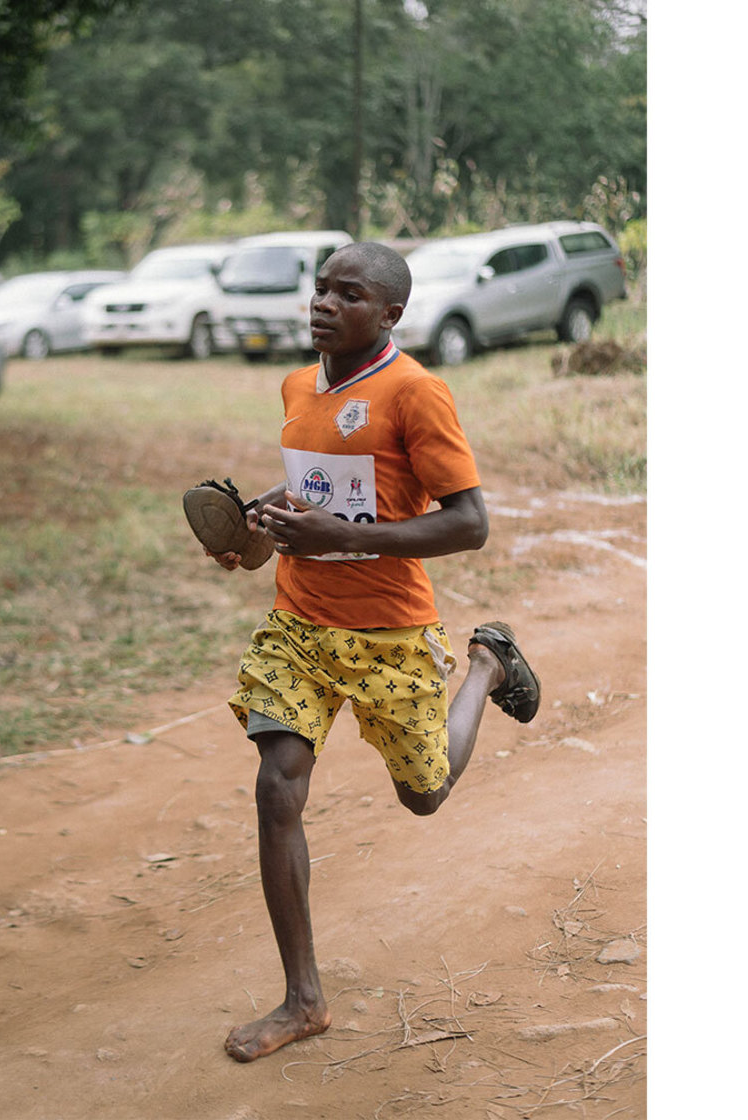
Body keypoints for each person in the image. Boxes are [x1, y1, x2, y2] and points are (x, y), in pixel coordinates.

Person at [200, 241, 541, 1064]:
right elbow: (313, 486)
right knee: (276, 785)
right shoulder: (298, 384)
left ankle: (487, 663)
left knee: (423, 795)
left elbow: (469, 522)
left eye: (347, 294)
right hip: (300, 625)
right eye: (320, 289)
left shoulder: (416, 392)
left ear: (389, 314)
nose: (323, 303)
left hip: (389, 630)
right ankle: (303, 999)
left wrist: (347, 537)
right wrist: (262, 521)